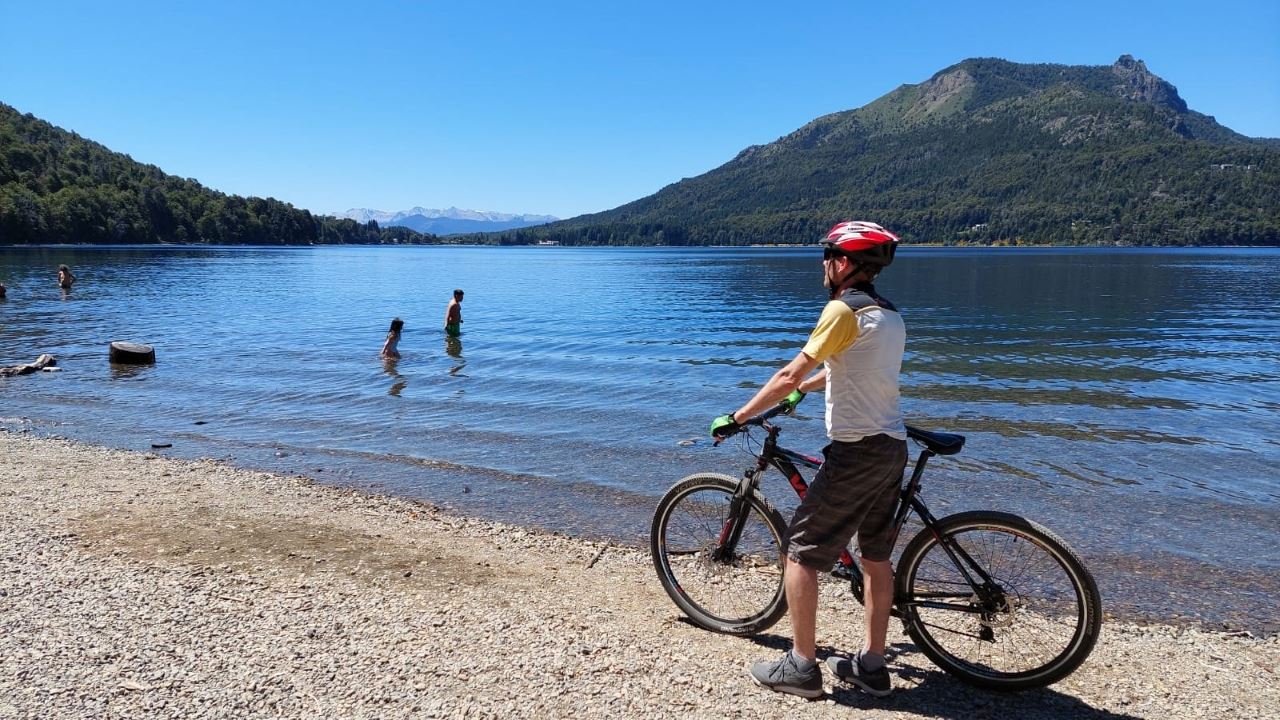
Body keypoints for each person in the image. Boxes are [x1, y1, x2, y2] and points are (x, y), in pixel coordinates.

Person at [710, 221, 907, 699]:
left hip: (857, 450)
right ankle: (871, 666)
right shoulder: (888, 313)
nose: (823, 264)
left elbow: (788, 373)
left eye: (828, 256)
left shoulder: (841, 309)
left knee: (798, 551)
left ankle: (801, 667)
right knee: (876, 556)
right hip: (891, 446)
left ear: (844, 263)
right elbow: (849, 367)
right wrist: (807, 390)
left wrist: (737, 417)